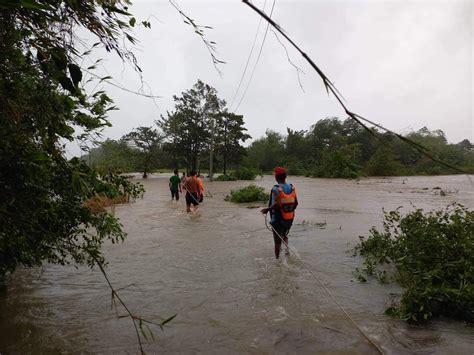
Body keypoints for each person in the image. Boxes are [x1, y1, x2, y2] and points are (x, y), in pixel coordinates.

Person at [261, 167, 298, 259]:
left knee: (277, 242)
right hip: (289, 218)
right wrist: (289, 211)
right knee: (284, 235)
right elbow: (296, 203)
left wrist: (267, 209)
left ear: (277, 177)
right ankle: (287, 254)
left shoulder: (275, 189)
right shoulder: (291, 187)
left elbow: (277, 204)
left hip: (278, 219)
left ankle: (277, 260)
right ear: (285, 177)